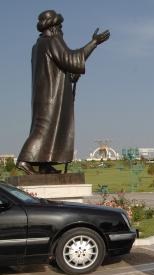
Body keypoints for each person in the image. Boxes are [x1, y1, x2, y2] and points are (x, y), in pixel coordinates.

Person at [17, 10, 110, 175]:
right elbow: (71, 59)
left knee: (50, 129)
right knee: (43, 128)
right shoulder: (52, 41)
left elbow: (58, 67)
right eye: (60, 27)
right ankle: (24, 159)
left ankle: (44, 163)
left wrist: (69, 77)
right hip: (51, 97)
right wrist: (93, 43)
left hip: (45, 95)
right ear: (53, 28)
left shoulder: (38, 46)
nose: (62, 30)